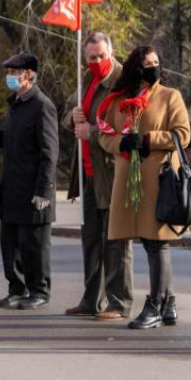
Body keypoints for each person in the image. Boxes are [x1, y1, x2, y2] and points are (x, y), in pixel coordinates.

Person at [98, 46, 190, 329]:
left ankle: (155, 304)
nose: (155, 67)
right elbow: (104, 134)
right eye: (149, 63)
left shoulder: (169, 96)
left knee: (156, 242)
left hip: (159, 180)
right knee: (148, 241)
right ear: (136, 67)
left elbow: (182, 135)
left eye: (157, 62)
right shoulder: (118, 101)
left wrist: (147, 140)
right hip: (129, 181)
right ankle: (169, 301)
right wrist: (121, 143)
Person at [62, 32, 133, 320]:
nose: (97, 62)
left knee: (116, 240)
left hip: (114, 173)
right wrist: (73, 118)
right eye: (92, 57)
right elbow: (66, 114)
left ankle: (119, 301)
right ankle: (92, 299)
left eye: (102, 55)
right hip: (89, 174)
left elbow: (125, 126)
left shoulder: (122, 82)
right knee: (91, 239)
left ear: (112, 51)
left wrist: (89, 131)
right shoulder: (86, 81)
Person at [0, 51, 59, 311]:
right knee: (10, 243)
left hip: (34, 189)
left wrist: (44, 191)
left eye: (14, 73)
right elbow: (16, 142)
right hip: (12, 187)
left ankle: (39, 290)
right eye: (9, 72)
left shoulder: (41, 105)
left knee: (34, 245)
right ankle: (17, 288)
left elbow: (49, 152)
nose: (10, 77)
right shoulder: (15, 104)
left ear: (28, 75)